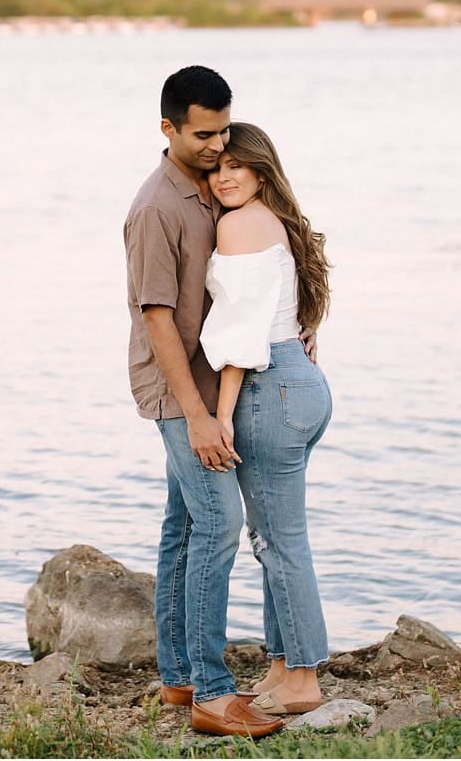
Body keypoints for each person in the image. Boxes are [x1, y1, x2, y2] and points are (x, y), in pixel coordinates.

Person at [122, 66, 284, 739]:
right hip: (176, 389)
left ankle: (179, 676)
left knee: (184, 527)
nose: (220, 144)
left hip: (205, 380)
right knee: (216, 525)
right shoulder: (156, 207)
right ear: (168, 128)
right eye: (204, 133)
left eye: (224, 128)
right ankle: (213, 696)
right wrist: (195, 415)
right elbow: (157, 316)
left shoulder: (209, 187)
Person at [199, 121, 334, 715]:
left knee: (280, 543)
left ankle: (304, 680)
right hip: (298, 385)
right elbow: (294, 309)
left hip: (267, 386)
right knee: (273, 539)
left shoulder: (237, 224)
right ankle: (282, 666)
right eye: (216, 168)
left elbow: (240, 334)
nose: (224, 177)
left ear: (260, 170)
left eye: (236, 167)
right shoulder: (275, 222)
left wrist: (221, 414)